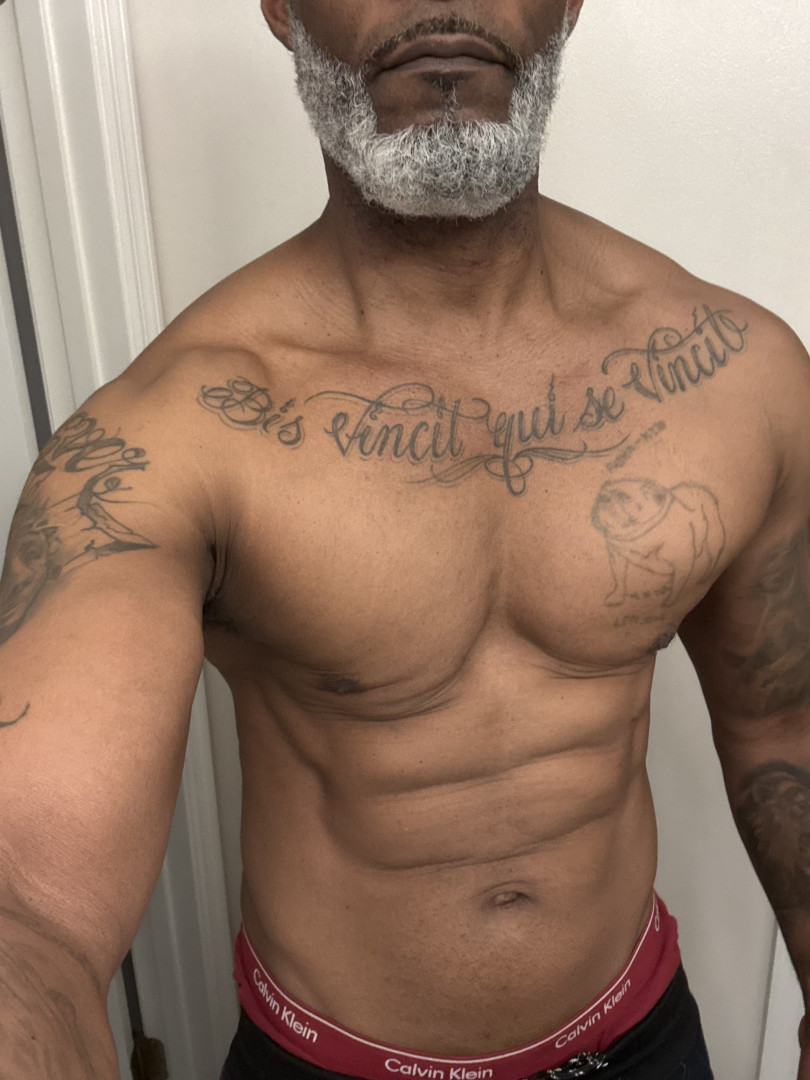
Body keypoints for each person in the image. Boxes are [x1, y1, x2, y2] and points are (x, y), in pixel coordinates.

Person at [1, 0, 808, 1076]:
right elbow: (29, 906)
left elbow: (783, 725)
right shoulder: (168, 437)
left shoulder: (735, 376)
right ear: (282, 8)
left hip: (642, 1041)